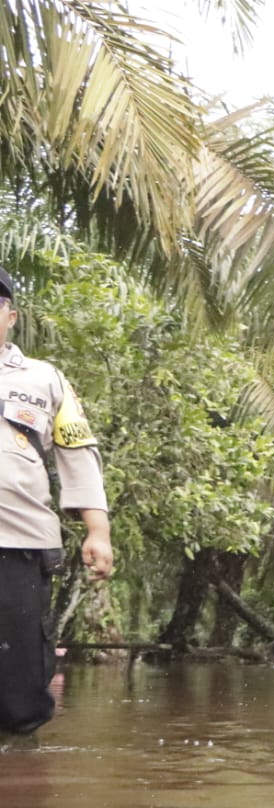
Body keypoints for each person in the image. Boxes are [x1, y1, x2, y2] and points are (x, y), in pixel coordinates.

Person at [0, 264, 113, 737]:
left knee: (21, 689)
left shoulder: (46, 379)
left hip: (20, 545)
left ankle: (22, 794)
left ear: (11, 316)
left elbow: (77, 454)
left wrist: (98, 530)